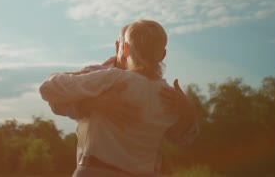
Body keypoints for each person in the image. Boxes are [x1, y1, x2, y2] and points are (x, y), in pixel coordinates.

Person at [39, 20, 197, 176]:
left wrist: (188, 111)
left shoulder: (110, 78)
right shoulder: (167, 96)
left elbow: (48, 89)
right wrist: (92, 104)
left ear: (126, 49)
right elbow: (186, 140)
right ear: (162, 55)